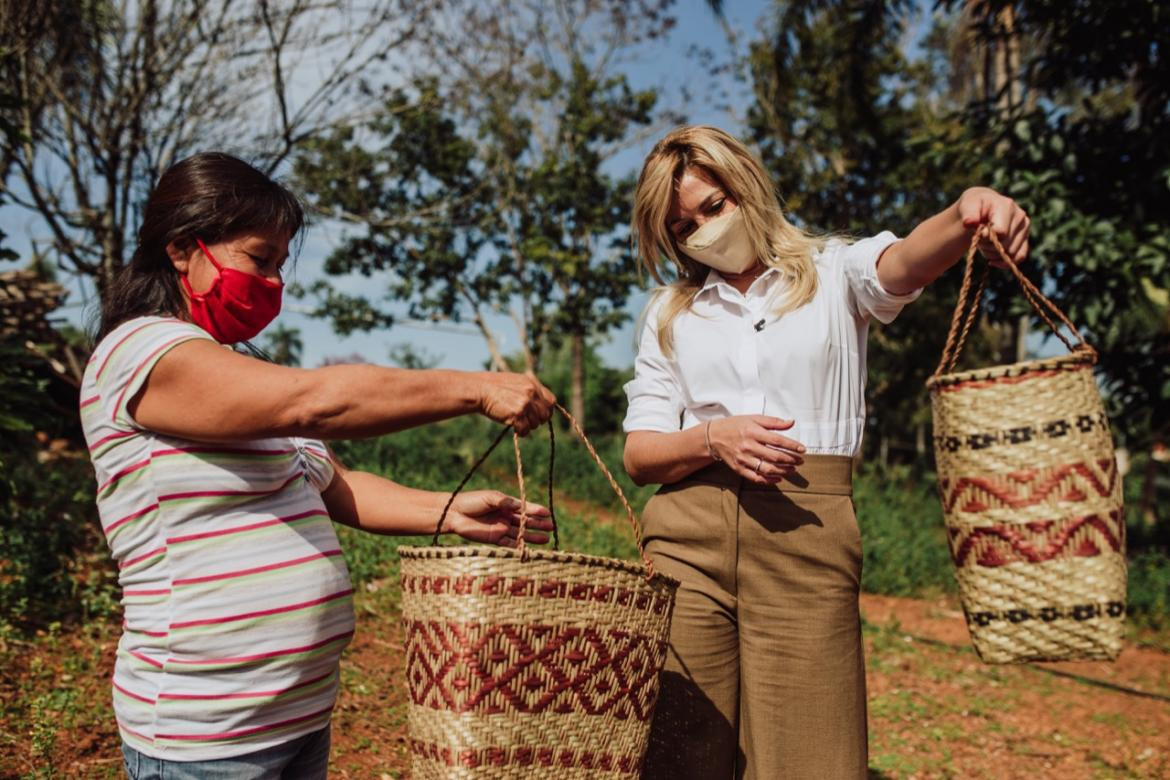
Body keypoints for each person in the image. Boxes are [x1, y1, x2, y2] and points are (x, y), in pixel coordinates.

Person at [81, 151, 557, 779]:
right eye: (259, 258)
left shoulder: (238, 374)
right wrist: (475, 388)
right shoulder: (139, 351)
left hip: (297, 716)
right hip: (206, 735)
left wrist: (450, 513)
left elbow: (338, 487)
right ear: (181, 249)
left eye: (281, 264)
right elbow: (319, 401)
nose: (274, 281)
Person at [623, 125, 1030, 779]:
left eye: (713, 206)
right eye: (681, 226)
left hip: (804, 531)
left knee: (812, 756)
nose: (702, 229)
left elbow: (905, 262)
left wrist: (966, 212)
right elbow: (640, 455)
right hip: (685, 538)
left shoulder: (834, 273)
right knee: (678, 752)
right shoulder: (672, 314)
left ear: (746, 188)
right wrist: (711, 437)